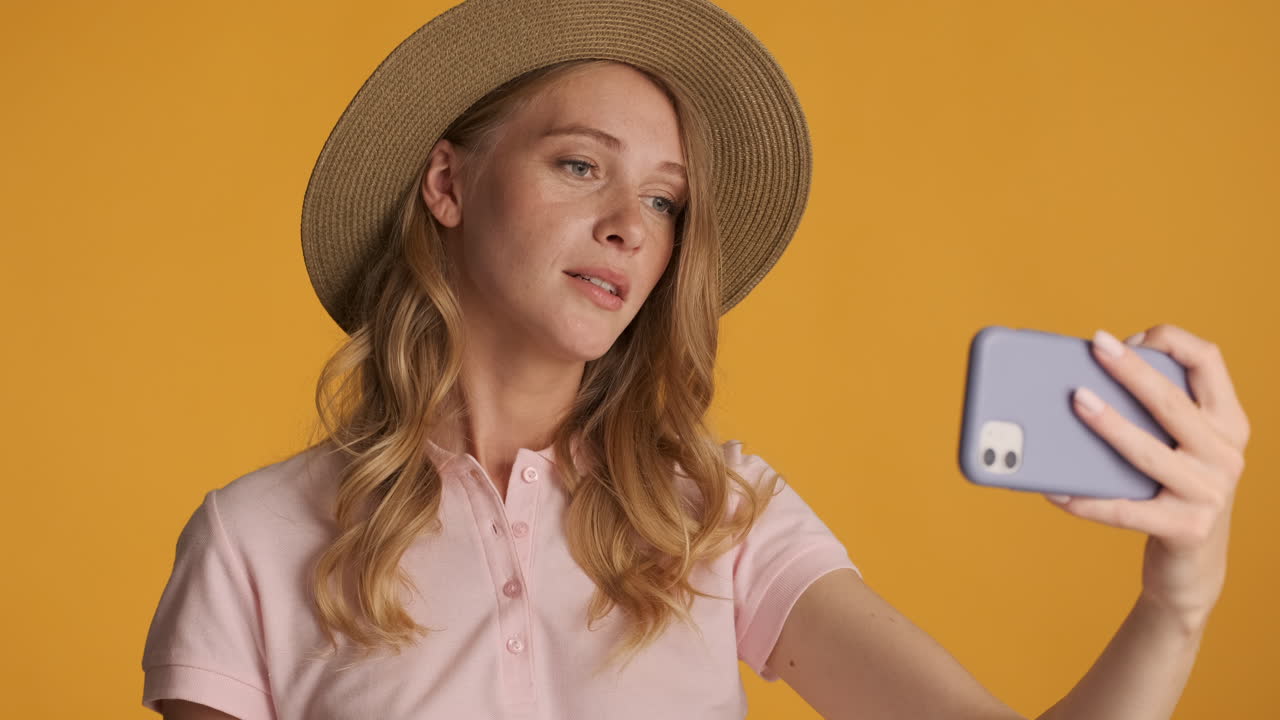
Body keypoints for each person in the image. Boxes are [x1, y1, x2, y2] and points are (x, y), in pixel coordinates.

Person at [142, 1, 1250, 719]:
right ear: (447, 185)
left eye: (664, 199)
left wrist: (1175, 605)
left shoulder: (723, 515)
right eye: (581, 166)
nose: (631, 223)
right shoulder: (251, 541)